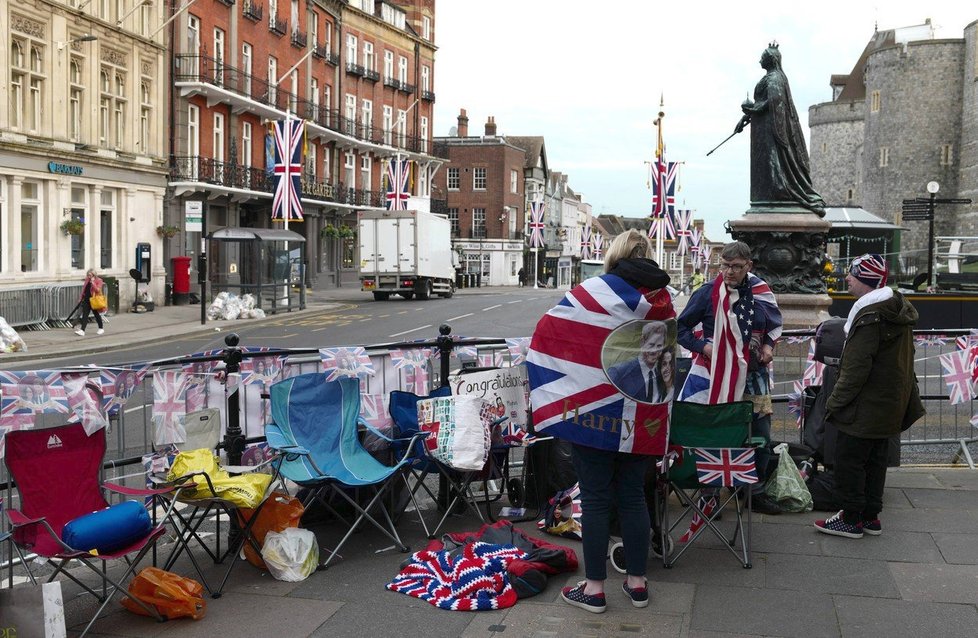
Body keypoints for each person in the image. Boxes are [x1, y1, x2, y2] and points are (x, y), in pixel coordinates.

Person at [552, 229, 673, 614]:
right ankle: (637, 584)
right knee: (634, 497)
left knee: (596, 500)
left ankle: (594, 589)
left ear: (615, 254)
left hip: (594, 417)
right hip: (642, 416)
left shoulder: (594, 292)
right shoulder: (662, 299)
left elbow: (552, 334)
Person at [815, 254, 924, 538]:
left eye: (853, 274)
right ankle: (870, 517)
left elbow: (855, 369)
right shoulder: (895, 308)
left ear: (868, 280)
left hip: (865, 404)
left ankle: (850, 519)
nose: (847, 278)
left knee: (850, 460)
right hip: (889, 401)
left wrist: (834, 403)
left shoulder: (869, 315)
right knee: (876, 460)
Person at [676, 241, 784, 517]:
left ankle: (752, 492)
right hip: (717, 376)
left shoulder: (760, 292)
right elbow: (680, 328)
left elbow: (772, 326)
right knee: (715, 434)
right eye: (724, 265)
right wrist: (704, 347)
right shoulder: (707, 293)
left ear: (749, 266)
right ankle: (709, 496)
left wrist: (769, 347)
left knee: (758, 434)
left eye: (736, 267)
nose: (729, 272)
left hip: (752, 377)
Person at [736, 43, 826, 216]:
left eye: (762, 57)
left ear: (771, 59)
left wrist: (752, 110)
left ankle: (781, 191)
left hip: (771, 133)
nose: (759, 60)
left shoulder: (775, 78)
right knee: (765, 170)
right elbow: (764, 103)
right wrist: (745, 118)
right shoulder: (773, 77)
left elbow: (774, 101)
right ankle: (771, 195)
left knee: (774, 168)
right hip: (762, 131)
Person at [606, 321, 671, 403]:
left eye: (659, 346)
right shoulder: (618, 372)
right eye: (651, 345)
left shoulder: (663, 374)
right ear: (642, 342)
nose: (654, 350)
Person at [75, 268, 105, 337]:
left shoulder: (99, 280)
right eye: (88, 275)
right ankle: (82, 330)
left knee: (96, 314)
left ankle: (101, 328)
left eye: (90, 275)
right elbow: (84, 289)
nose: (89, 277)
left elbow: (97, 290)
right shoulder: (87, 280)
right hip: (86, 300)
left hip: (94, 300)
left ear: (94, 275)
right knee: (85, 315)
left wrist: (93, 283)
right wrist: (81, 298)